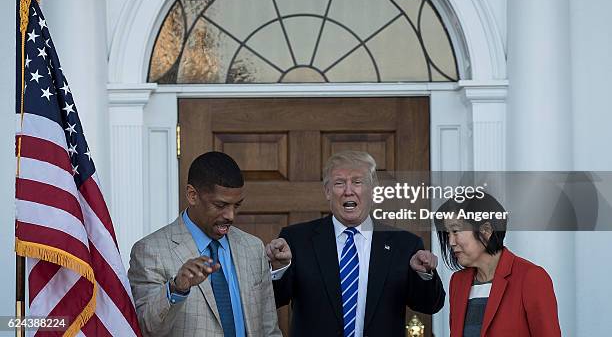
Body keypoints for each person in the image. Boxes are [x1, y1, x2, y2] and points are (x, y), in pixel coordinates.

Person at [266, 150, 445, 337]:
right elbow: (271, 301)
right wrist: (279, 268)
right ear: (327, 192)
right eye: (339, 183)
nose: (348, 191)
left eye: (357, 182)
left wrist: (424, 274)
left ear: (373, 190)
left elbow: (430, 305)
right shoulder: (296, 240)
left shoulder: (405, 245)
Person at [128, 152, 281, 337]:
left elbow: (269, 328)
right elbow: (147, 328)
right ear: (192, 195)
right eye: (220, 205)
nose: (230, 216)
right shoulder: (150, 252)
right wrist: (177, 288)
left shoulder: (253, 248)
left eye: (236, 206)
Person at [435, 192, 561, 337]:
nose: (451, 242)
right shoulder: (458, 282)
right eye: (447, 233)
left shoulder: (532, 278)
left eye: (456, 231)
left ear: (486, 230)